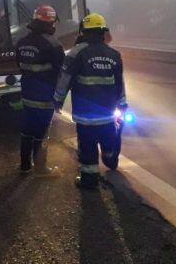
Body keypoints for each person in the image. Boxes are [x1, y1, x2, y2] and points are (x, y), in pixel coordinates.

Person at [53, 13, 127, 190]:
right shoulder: (114, 54)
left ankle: (89, 180)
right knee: (109, 140)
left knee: (87, 149)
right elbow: (120, 82)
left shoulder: (76, 53)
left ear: (83, 32)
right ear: (103, 32)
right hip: (108, 114)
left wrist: (58, 99)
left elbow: (65, 78)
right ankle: (110, 157)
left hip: (85, 116)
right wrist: (122, 103)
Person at [15, 5, 64, 175]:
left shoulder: (22, 42)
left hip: (27, 94)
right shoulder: (54, 45)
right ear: (51, 23)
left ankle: (24, 165)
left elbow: (20, 66)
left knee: (27, 129)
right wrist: (59, 98)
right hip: (45, 97)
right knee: (42, 132)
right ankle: (41, 168)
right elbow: (61, 73)